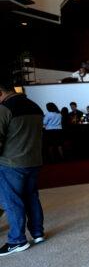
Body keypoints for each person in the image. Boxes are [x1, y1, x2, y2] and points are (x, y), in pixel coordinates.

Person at [0, 74, 46, 256]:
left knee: (12, 201)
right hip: (34, 160)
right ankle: (37, 232)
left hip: (11, 162)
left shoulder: (4, 109)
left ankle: (17, 240)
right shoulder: (34, 106)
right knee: (31, 197)